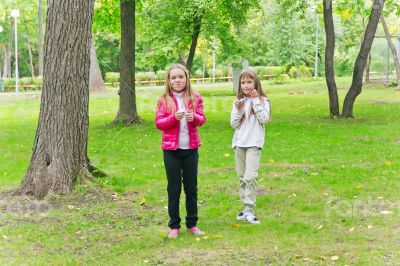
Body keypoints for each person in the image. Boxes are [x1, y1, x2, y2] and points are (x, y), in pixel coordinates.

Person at [155, 64, 206, 239]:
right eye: (173, 78)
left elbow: (202, 119)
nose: (177, 80)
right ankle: (174, 225)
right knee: (174, 188)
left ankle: (192, 223)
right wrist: (173, 118)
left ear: (187, 78)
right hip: (171, 151)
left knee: (191, 188)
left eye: (180, 77)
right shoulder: (164, 100)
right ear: (168, 81)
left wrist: (195, 118)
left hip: (191, 149)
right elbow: (159, 123)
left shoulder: (195, 97)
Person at [230, 68, 270, 224]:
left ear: (256, 83)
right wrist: (239, 110)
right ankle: (244, 208)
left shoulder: (264, 101)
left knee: (250, 177)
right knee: (241, 177)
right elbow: (234, 124)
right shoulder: (238, 102)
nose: (246, 85)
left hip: (254, 144)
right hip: (240, 144)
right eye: (243, 82)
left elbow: (263, 119)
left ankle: (249, 209)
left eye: (249, 82)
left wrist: (255, 101)